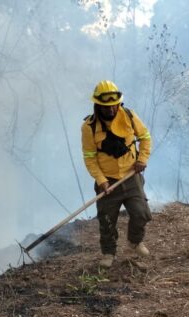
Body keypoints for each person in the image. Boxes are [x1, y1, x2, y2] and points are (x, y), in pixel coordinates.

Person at [81, 80, 152, 268]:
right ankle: (108, 253)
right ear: (97, 105)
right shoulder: (88, 127)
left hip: (131, 176)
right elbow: (89, 157)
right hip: (107, 181)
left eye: (114, 105)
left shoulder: (129, 116)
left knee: (142, 213)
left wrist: (142, 159)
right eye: (106, 107)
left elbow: (145, 137)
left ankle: (135, 241)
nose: (111, 110)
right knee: (106, 221)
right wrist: (101, 180)